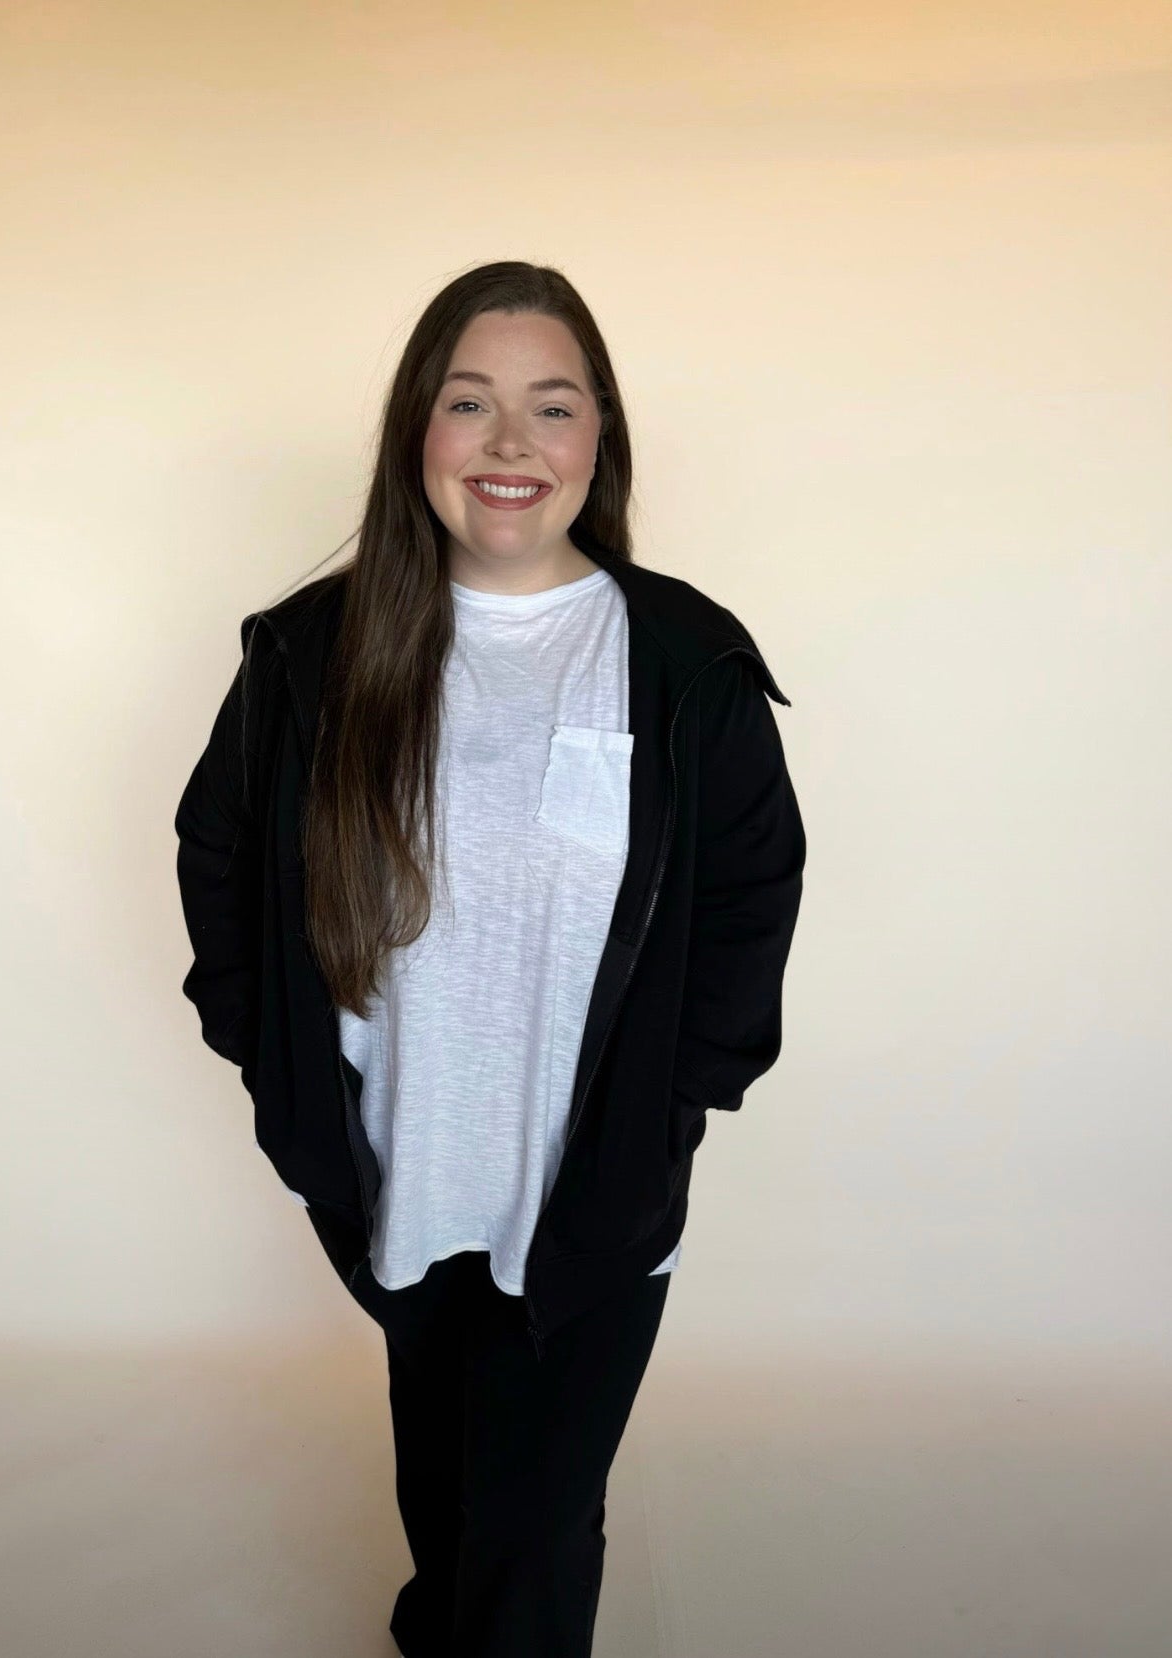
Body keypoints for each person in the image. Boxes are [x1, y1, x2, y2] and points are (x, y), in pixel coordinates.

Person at [173, 259, 806, 1658]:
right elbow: (216, 849)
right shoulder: (314, 653)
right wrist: (268, 1050)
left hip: (585, 1192)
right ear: (419, 434)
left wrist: (676, 1099)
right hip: (396, 1170)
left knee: (533, 1525)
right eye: (470, 402)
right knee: (448, 1482)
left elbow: (752, 887)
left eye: (551, 405)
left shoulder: (680, 663)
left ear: (599, 442)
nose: (511, 443)